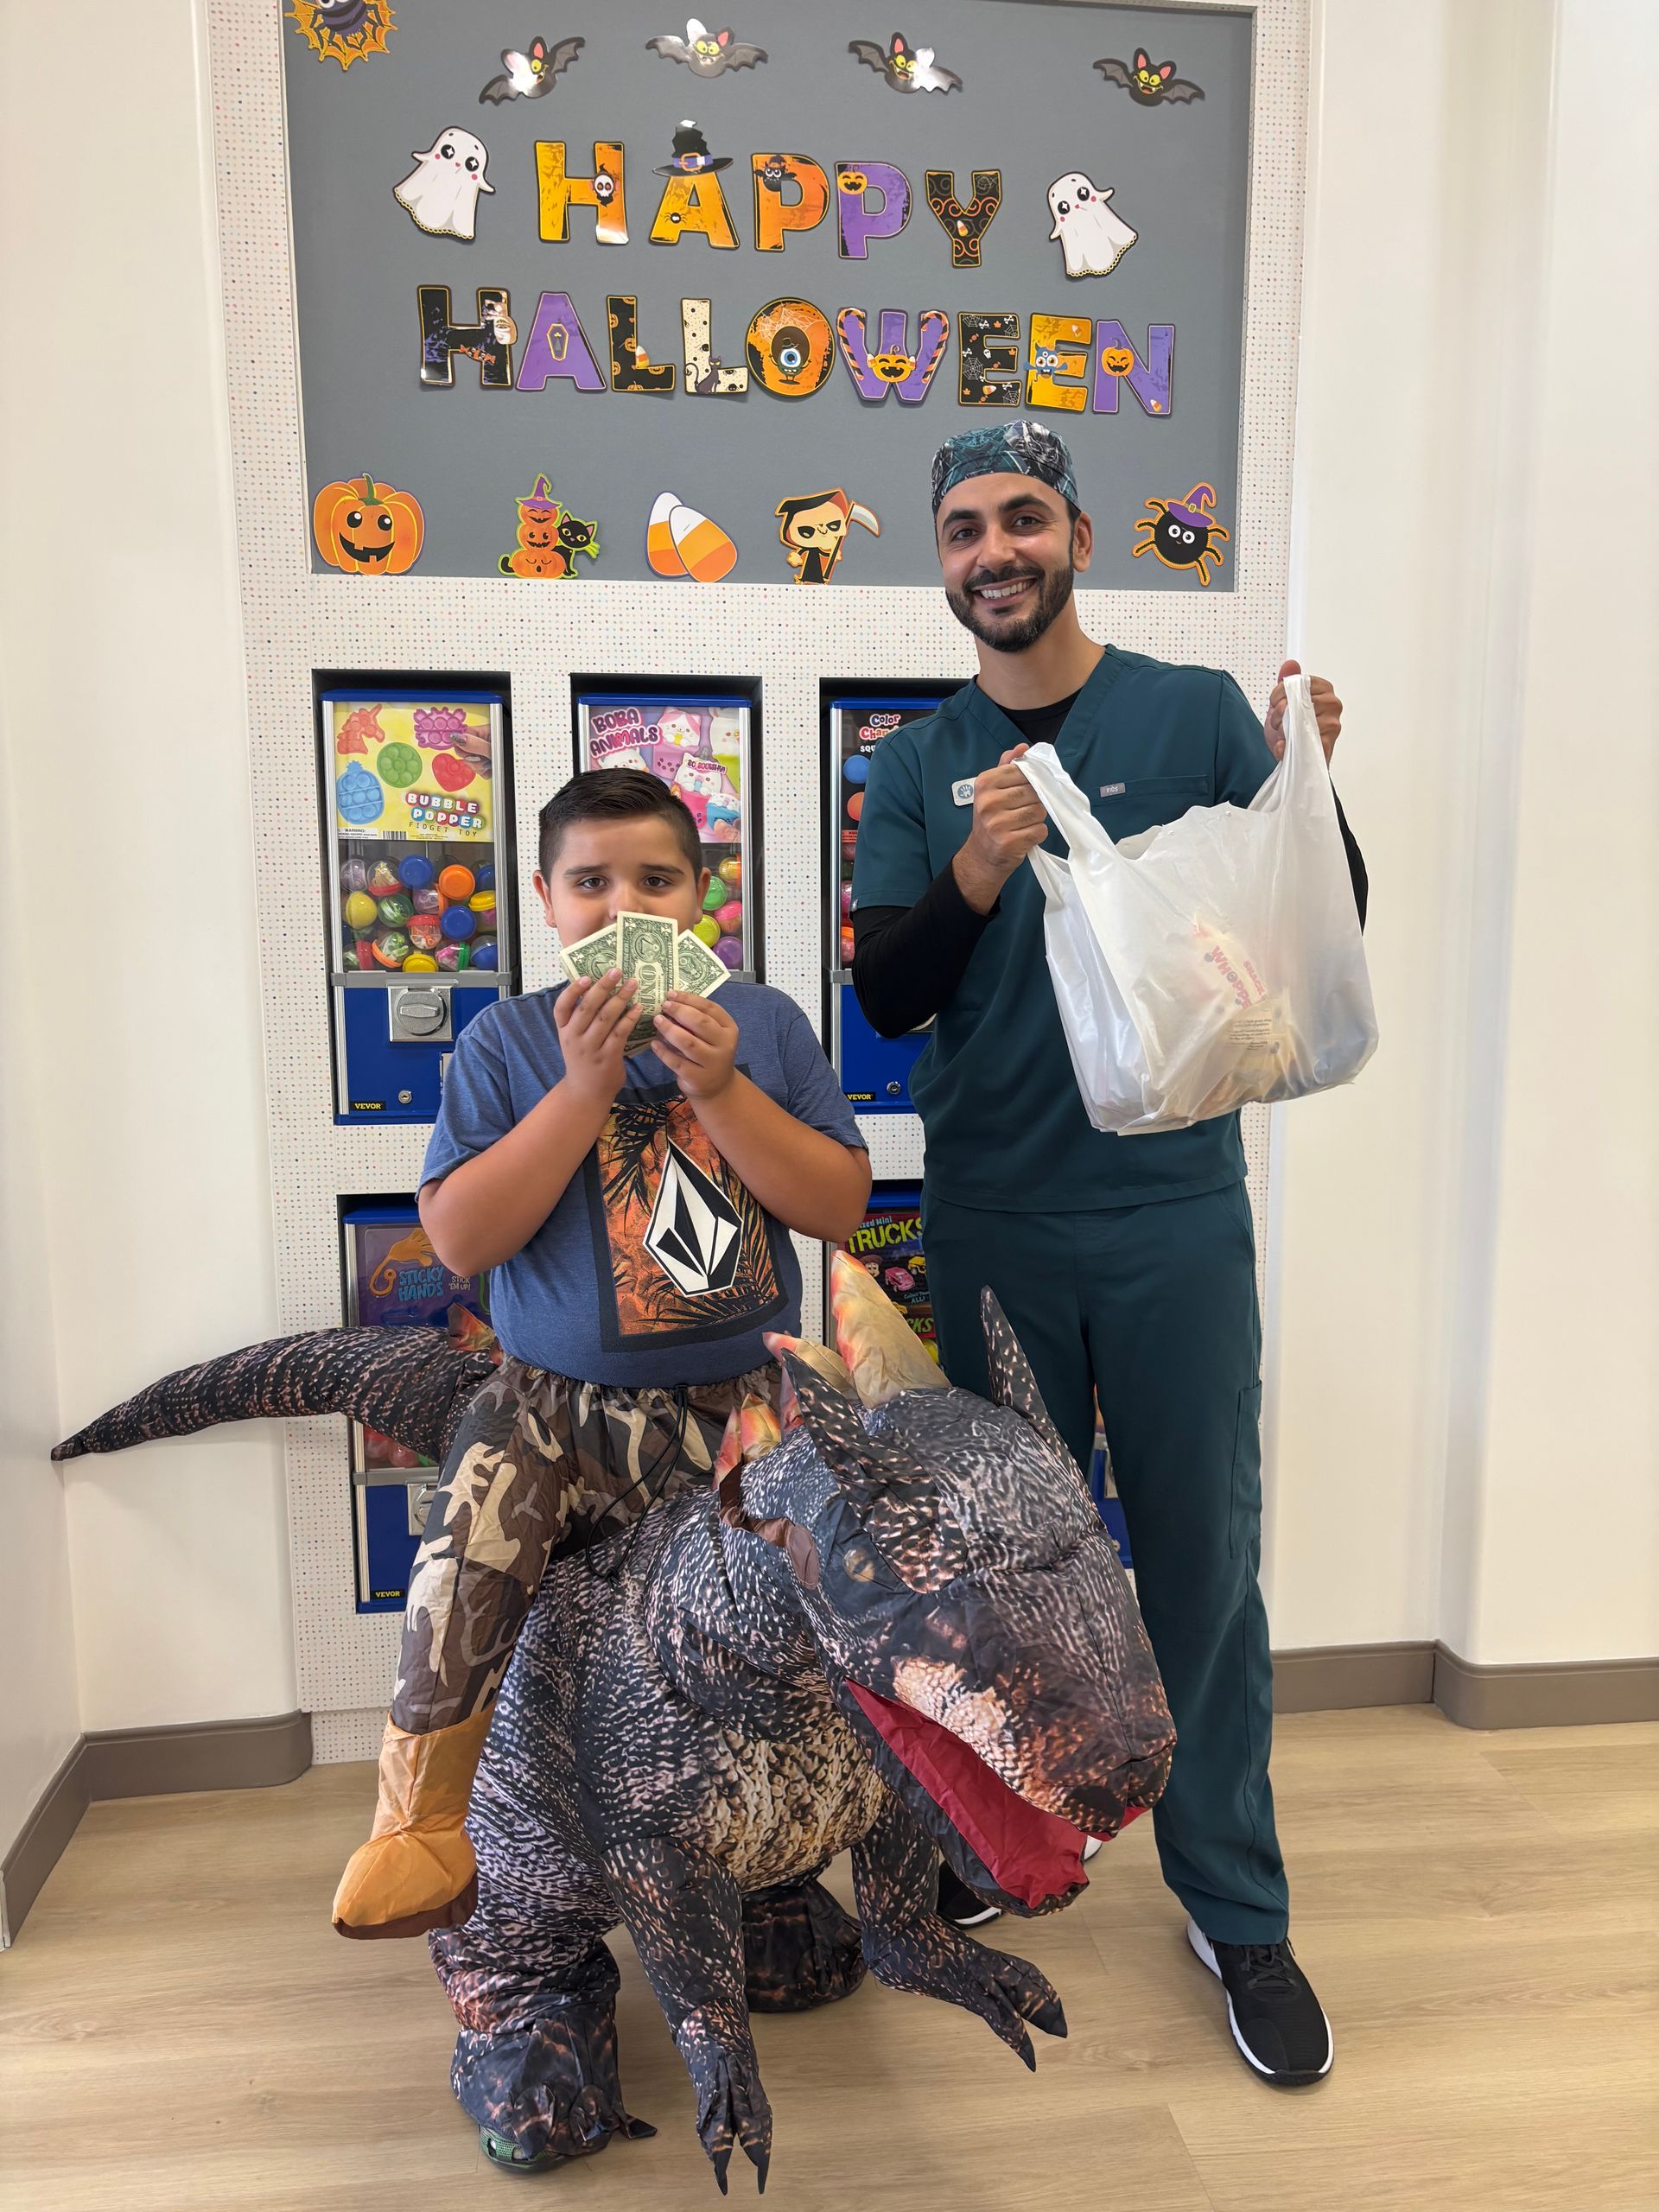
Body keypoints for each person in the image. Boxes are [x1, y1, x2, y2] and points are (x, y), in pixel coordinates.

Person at [850, 422, 1367, 2089]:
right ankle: (1004, 1851)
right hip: (993, 1217)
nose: (992, 551)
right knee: (997, 1580)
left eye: (1020, 519)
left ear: (1075, 532)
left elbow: (1312, 922)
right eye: (960, 530)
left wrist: (1310, 792)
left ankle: (1236, 1904)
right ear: (941, 564)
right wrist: (977, 875)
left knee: (1204, 1569)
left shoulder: (1192, 714)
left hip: (1172, 1224)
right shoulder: (915, 767)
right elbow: (889, 998)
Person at [330, 770, 870, 1974]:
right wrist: (581, 1090)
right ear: (546, 901)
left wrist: (721, 1086)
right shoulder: (507, 1040)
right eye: (592, 882)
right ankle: (419, 1819)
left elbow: (835, 1202)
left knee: (848, 1569)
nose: (625, 901)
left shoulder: (768, 1025)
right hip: (555, 1411)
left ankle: (836, 1839)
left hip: (741, 1406)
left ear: (700, 902)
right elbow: (464, 1240)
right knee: (470, 1520)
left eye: (656, 880)